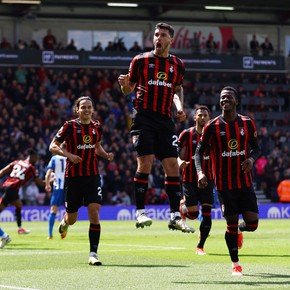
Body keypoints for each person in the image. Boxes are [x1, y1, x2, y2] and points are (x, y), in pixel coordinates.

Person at [118, 22, 193, 233]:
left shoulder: (178, 64)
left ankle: (174, 216)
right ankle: (140, 212)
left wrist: (179, 108)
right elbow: (128, 90)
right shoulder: (140, 60)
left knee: (171, 165)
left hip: (165, 120)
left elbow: (177, 90)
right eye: (156, 35)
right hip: (143, 117)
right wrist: (123, 84)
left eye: (163, 35)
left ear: (171, 40)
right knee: (146, 162)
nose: (158, 38)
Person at [195, 86, 261, 276]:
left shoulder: (248, 123)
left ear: (236, 101)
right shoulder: (212, 127)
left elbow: (257, 148)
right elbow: (198, 152)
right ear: (220, 102)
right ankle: (235, 264)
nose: (225, 100)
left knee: (253, 224)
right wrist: (200, 173)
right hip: (224, 185)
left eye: (229, 97)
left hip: (245, 183)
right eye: (223, 98)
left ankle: (242, 230)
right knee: (230, 222)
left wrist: (251, 159)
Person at [49, 96, 114, 266]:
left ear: (93, 109)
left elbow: (96, 146)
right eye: (83, 107)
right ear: (77, 109)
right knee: (72, 219)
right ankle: (64, 222)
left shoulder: (97, 126)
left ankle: (93, 253)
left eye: (89, 107)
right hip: (73, 178)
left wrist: (105, 154)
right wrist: (69, 155)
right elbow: (52, 146)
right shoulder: (69, 126)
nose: (86, 110)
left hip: (92, 176)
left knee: (94, 211)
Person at [178, 105, 214, 255]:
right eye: (200, 115)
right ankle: (183, 206)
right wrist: (180, 161)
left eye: (205, 115)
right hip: (190, 179)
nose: (203, 118)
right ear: (195, 118)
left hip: (208, 179)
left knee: (206, 213)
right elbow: (175, 151)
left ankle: (200, 246)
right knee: (193, 214)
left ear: (209, 118)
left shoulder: (214, 135)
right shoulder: (186, 134)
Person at [0, 149, 45, 234]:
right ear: (32, 157)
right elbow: (40, 183)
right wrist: (52, 180)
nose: (37, 160)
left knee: (18, 205)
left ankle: (20, 229)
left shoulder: (17, 162)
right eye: (36, 158)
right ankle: (7, 234)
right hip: (12, 188)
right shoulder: (31, 168)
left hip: (10, 187)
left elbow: (2, 171)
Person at [45, 143, 67, 239]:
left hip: (58, 187)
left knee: (53, 210)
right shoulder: (69, 157)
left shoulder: (54, 158)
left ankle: (50, 234)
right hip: (68, 187)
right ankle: (64, 232)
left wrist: (47, 184)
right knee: (69, 211)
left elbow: (48, 173)